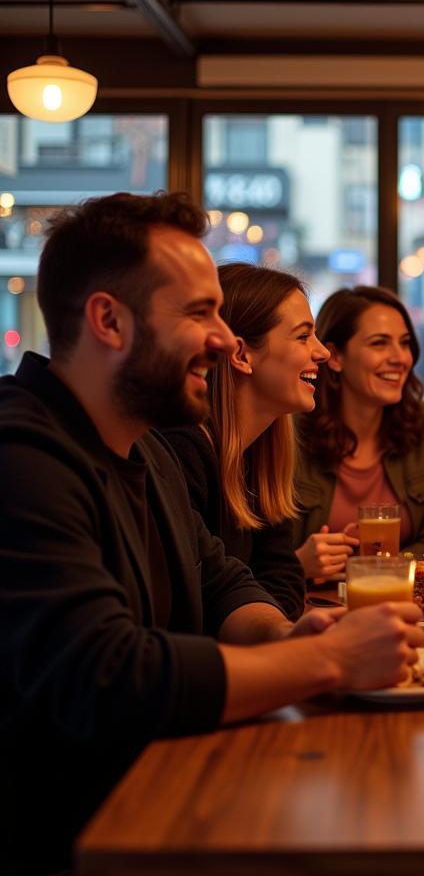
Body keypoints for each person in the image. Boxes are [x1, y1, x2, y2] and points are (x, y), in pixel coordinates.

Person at [0, 192, 424, 876]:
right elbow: (108, 675)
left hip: (150, 820)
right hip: (50, 860)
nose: (224, 340)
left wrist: (290, 636)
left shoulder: (144, 449)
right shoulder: (23, 456)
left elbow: (222, 583)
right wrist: (325, 666)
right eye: (201, 313)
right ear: (109, 322)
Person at [162, 263, 326, 620]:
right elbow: (203, 601)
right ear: (240, 355)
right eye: (303, 336)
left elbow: (282, 576)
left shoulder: (263, 452)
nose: (323, 352)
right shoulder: (181, 448)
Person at [293, 286, 424, 582]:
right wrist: (297, 565)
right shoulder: (292, 434)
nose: (399, 358)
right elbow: (259, 560)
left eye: (404, 343)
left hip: (399, 604)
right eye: (379, 344)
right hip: (313, 610)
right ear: (336, 357)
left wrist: (380, 567)